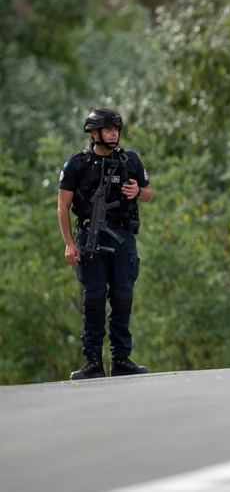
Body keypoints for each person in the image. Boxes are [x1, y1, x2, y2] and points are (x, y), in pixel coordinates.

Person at [57, 108, 153, 379]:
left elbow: (149, 193)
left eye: (116, 129)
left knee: (123, 296)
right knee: (94, 298)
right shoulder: (77, 164)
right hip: (90, 237)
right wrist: (69, 243)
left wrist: (137, 193)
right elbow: (62, 207)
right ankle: (92, 362)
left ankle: (121, 359)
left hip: (122, 237)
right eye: (109, 129)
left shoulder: (129, 160)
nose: (114, 133)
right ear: (95, 133)